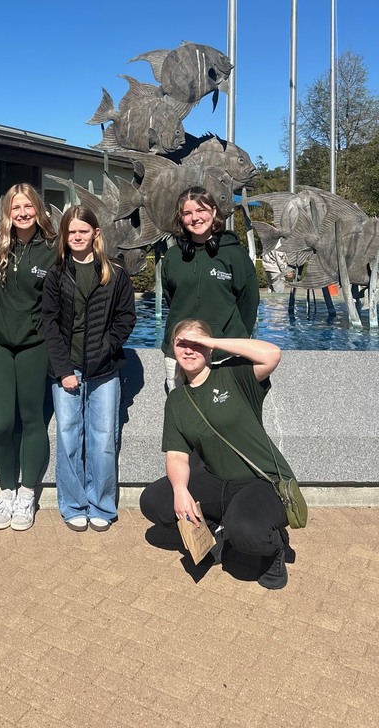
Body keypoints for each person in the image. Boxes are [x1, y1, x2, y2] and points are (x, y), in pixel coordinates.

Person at [139, 319, 295, 590]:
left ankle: (274, 548)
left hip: (260, 479)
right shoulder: (177, 401)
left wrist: (211, 341)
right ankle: (212, 530)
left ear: (209, 349)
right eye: (182, 344)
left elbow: (272, 354)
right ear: (173, 350)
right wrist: (180, 490)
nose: (189, 350)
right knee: (154, 501)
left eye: (196, 344)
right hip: (215, 480)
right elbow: (176, 454)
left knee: (245, 531)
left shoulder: (234, 375)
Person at [42, 206, 136, 532]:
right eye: (72, 232)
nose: (78, 236)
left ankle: (102, 503)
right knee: (69, 439)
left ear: (96, 233)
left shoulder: (115, 273)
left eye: (84, 231)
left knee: (104, 440)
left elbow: (126, 319)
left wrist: (106, 348)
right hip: (67, 370)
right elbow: (49, 325)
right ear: (65, 237)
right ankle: (73, 504)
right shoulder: (56, 275)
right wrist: (63, 368)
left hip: (105, 369)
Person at [0, 184, 56, 532]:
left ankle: (27, 492)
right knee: (0, 424)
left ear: (38, 209)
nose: (23, 213)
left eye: (28, 206)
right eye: (16, 207)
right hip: (0, 345)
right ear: (8, 212)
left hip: (34, 345)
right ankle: (6, 490)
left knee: (32, 421)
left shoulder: (53, 250)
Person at [160, 186, 259, 392]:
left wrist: (233, 340)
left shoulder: (235, 256)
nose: (195, 218)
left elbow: (248, 304)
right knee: (181, 416)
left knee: (223, 417)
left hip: (224, 354)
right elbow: (172, 300)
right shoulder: (172, 257)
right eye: (187, 213)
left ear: (213, 212)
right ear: (181, 218)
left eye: (200, 210)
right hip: (179, 353)